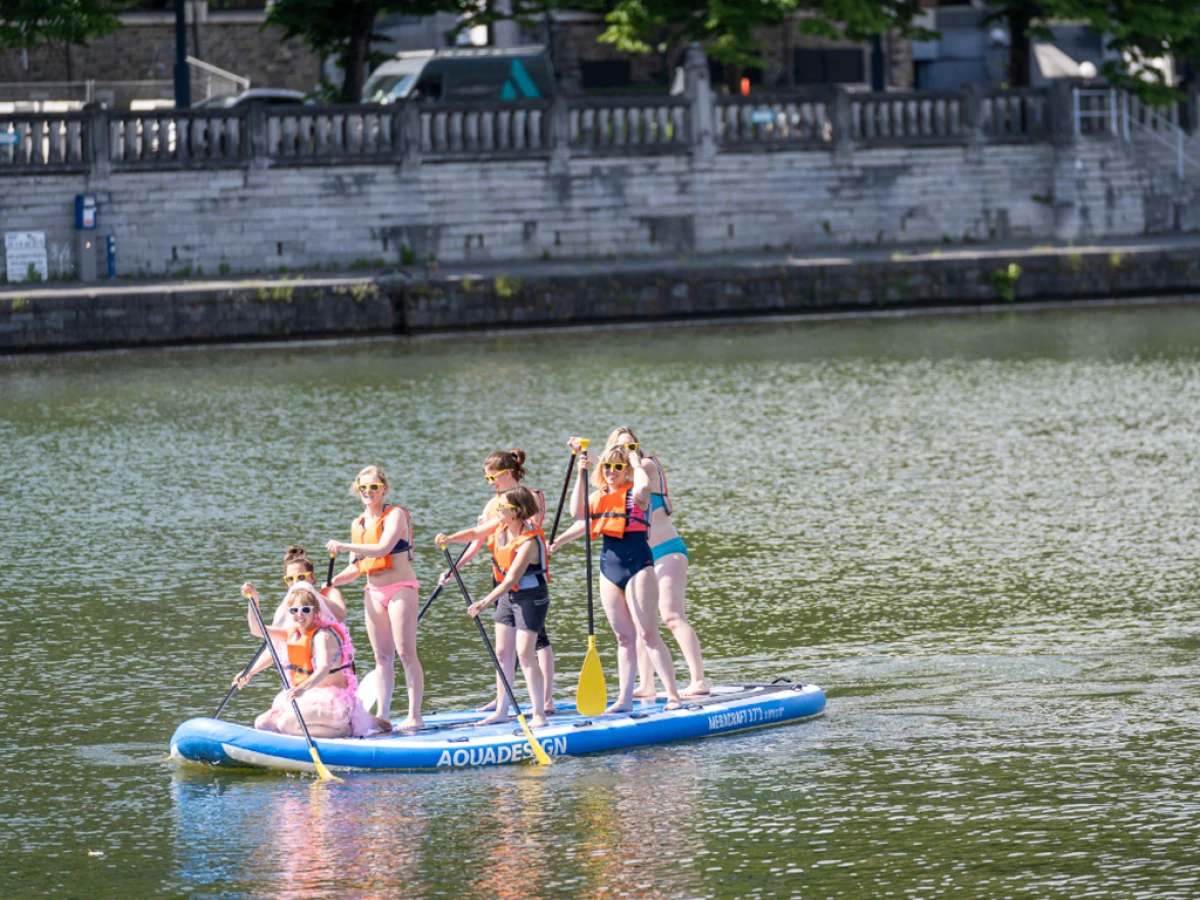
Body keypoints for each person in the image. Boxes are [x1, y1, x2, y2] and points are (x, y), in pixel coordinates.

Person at [550, 441, 682, 713]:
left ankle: (672, 695)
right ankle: (624, 699)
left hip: (639, 565)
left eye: (617, 467)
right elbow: (577, 514)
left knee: (648, 634)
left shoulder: (637, 493)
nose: (611, 471)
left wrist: (634, 462)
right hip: (609, 567)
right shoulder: (598, 496)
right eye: (608, 466)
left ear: (625, 471)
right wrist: (581, 474)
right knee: (623, 637)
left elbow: (645, 486)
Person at [440, 449, 556, 713]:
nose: (490, 484)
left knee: (533, 645)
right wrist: (451, 556)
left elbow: (524, 534)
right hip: (502, 583)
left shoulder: (529, 504)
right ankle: (502, 705)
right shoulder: (497, 510)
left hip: (527, 586)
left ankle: (544, 704)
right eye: (486, 479)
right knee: (504, 649)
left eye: (493, 478)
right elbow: (476, 535)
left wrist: (483, 601)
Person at [604, 427, 709, 698]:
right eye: (622, 447)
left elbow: (636, 479)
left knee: (672, 616)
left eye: (632, 446)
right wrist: (585, 458)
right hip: (643, 557)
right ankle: (647, 684)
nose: (629, 452)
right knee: (641, 622)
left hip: (668, 550)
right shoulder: (615, 479)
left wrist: (606, 459)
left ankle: (699, 680)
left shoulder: (646, 466)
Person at [325, 465, 424, 731]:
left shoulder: (396, 515)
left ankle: (415, 715)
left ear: (384, 489)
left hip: (401, 587)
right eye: (363, 488)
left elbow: (382, 548)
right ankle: (384, 715)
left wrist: (345, 546)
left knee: (405, 652)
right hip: (373, 592)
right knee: (381, 657)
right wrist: (330, 583)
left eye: (374, 487)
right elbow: (356, 568)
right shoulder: (357, 523)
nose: (368, 492)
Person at [232, 583, 374, 738]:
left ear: (315, 612)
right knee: (262, 723)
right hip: (307, 697)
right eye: (294, 610)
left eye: (305, 610)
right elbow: (257, 630)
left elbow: (323, 669)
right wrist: (254, 600)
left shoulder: (323, 636)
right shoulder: (291, 634)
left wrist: (302, 688)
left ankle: (346, 730)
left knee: (286, 724)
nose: (300, 615)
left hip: (334, 702)